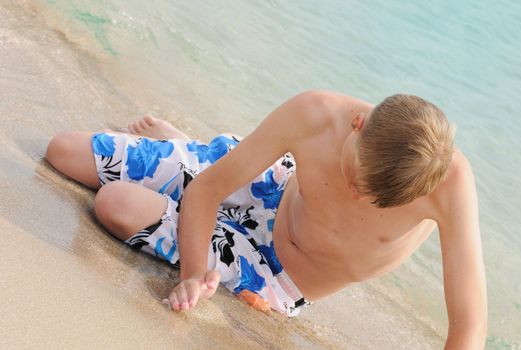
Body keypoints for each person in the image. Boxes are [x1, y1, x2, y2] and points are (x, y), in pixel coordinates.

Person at [45, 91, 487, 349]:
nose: (354, 195)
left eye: (374, 199)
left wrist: (197, 276)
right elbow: (209, 191)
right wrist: (195, 274)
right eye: (355, 178)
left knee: (115, 203)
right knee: (63, 151)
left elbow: (468, 327)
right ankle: (200, 149)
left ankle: (194, 151)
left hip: (274, 276)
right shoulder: (317, 115)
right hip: (264, 184)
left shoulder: (449, 187)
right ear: (357, 123)